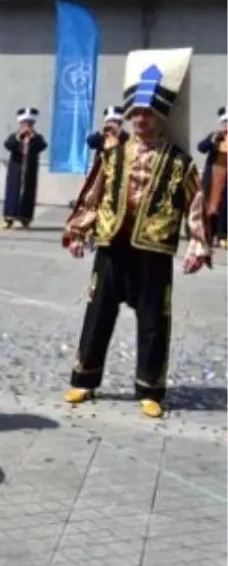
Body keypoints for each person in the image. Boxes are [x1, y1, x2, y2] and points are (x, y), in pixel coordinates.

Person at [61, 48, 211, 419]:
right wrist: (79, 230)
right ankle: (85, 379)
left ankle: (149, 388)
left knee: (154, 320)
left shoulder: (179, 161)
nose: (141, 119)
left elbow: (195, 205)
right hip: (112, 244)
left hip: (154, 249)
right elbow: (94, 193)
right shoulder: (112, 155)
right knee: (98, 313)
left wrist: (198, 245)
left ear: (161, 117)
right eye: (136, 113)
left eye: (148, 113)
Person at [1, 107, 48, 229]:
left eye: (30, 123)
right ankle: (9, 217)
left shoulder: (37, 137)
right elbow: (8, 145)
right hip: (16, 168)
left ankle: (25, 217)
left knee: (28, 192)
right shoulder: (15, 136)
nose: (27, 125)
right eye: (24, 123)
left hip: (30, 169)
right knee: (12, 191)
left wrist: (32, 138)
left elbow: (42, 145)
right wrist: (19, 138)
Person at [195, 105, 228, 247]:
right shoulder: (216, 136)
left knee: (224, 206)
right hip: (214, 176)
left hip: (227, 178)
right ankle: (208, 234)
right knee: (210, 204)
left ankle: (222, 235)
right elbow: (201, 148)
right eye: (225, 122)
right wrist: (212, 140)